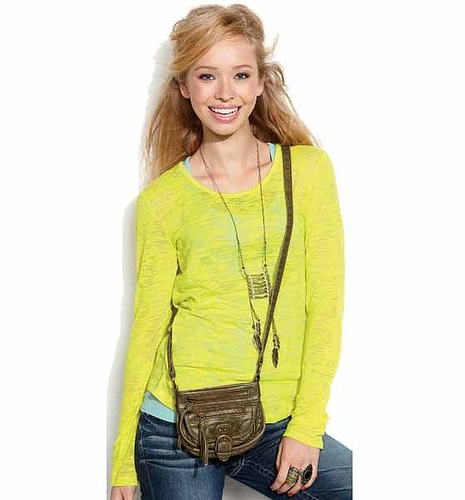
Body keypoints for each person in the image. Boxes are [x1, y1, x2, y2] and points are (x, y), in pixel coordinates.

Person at [110, 4, 352, 499]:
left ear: (260, 83)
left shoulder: (308, 173)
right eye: (207, 76)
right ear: (185, 86)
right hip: (173, 426)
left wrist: (307, 428)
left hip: (275, 420)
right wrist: (122, 465)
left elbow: (325, 308)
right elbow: (148, 325)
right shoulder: (161, 202)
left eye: (240, 75)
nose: (225, 92)